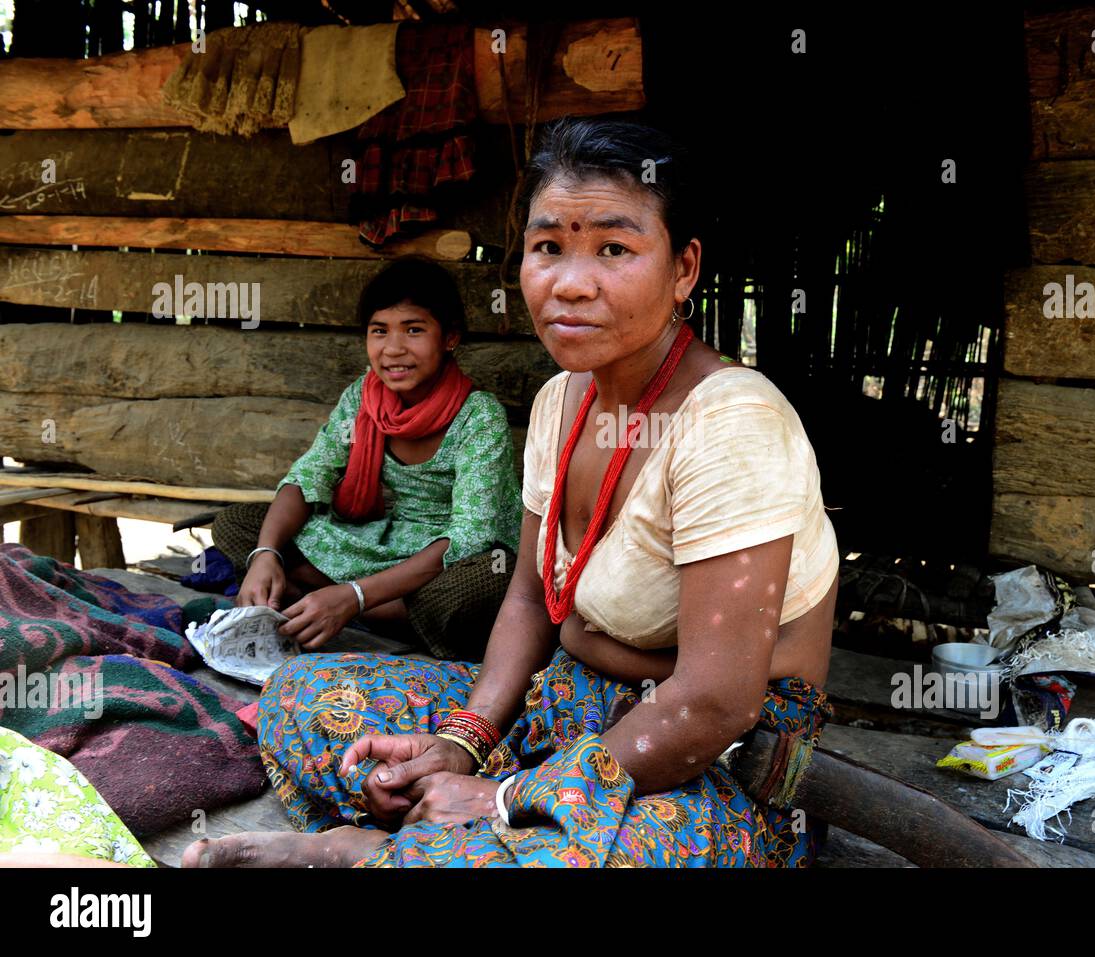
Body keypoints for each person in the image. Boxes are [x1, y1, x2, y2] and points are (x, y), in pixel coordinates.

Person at [186, 116, 839, 868]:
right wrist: (464, 742)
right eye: (548, 247)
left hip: (704, 756)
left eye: (615, 249)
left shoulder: (733, 424)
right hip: (566, 703)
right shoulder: (564, 401)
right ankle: (434, 837)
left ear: (684, 269)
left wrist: (503, 796)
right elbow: (528, 598)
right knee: (301, 696)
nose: (570, 281)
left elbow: (715, 702)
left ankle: (371, 851)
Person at [211, 256, 521, 660]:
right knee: (239, 525)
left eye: (414, 330)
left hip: (442, 560)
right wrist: (265, 555)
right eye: (379, 331)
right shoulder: (363, 398)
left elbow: (469, 537)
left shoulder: (480, 416)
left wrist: (356, 595)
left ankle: (333, 600)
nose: (394, 349)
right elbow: (311, 475)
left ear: (449, 338)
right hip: (373, 543)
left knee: (484, 583)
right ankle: (350, 604)